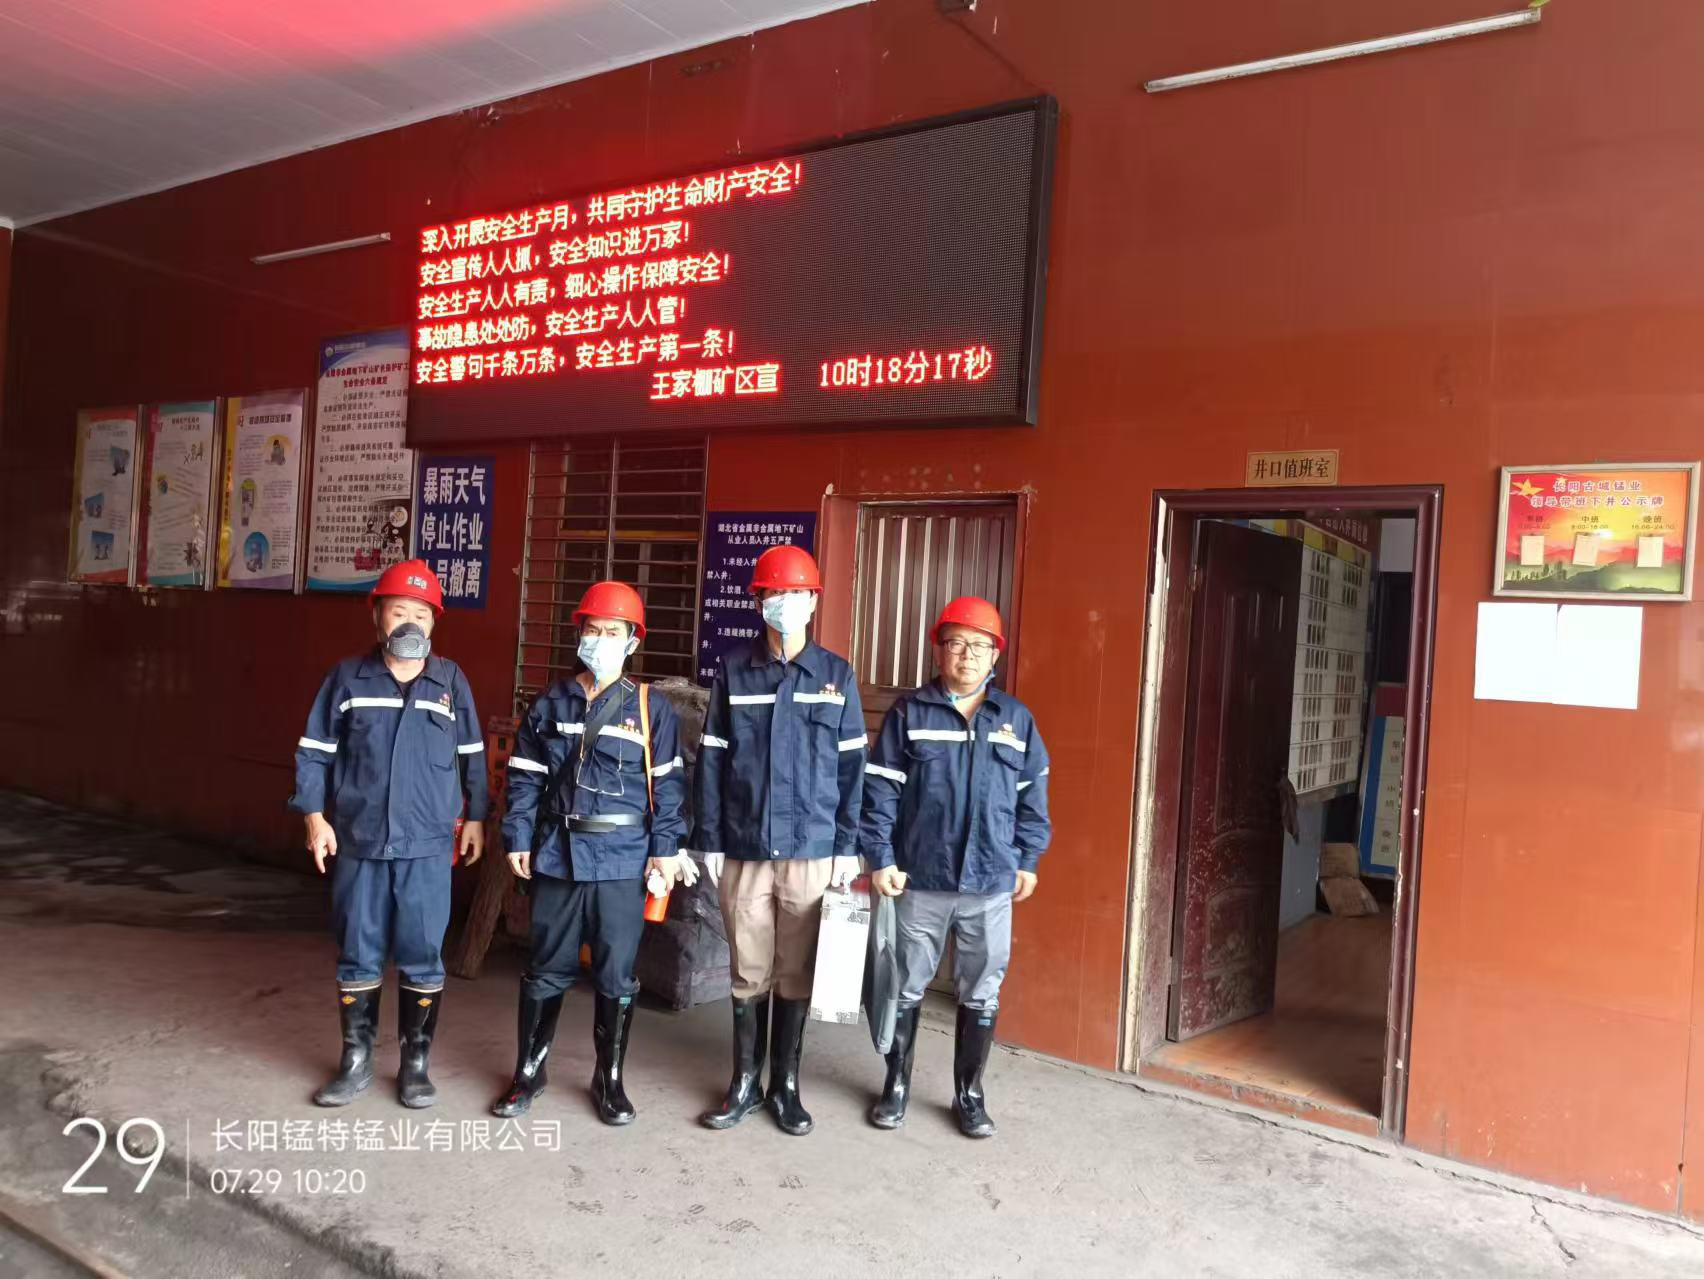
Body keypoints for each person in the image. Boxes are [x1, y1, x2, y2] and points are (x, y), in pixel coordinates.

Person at [289, 560, 488, 1109]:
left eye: (421, 614)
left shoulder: (450, 682)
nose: (410, 623)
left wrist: (476, 817)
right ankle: (355, 1062)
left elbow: (472, 755)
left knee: (423, 952)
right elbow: (315, 752)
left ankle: (415, 1066)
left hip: (427, 845)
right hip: (361, 840)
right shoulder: (347, 679)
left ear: (434, 623)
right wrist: (314, 816)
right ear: (376, 616)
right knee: (358, 950)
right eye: (399, 611)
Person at [495, 582, 688, 1125]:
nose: (600, 640)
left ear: (632, 642)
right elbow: (525, 778)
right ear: (579, 634)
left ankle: (610, 1080)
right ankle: (528, 1073)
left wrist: (665, 851)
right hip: (558, 854)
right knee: (545, 968)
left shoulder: (651, 708)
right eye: (593, 630)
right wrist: (518, 837)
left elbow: (669, 788)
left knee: (615, 975)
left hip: (623, 859)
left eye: (612, 632)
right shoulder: (551, 703)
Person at [858, 596, 1051, 1138]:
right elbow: (881, 793)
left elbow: (1033, 797)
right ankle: (896, 1084)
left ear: (996, 656)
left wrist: (1028, 858)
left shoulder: (1015, 720)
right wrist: (881, 858)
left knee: (982, 989)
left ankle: (969, 1094)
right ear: (938, 650)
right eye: (957, 643)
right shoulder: (909, 714)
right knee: (905, 984)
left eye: (980, 646)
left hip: (990, 881)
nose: (968, 655)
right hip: (920, 877)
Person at [693, 544, 866, 1136]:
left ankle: (784, 1086)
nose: (784, 602)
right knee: (749, 968)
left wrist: (848, 846)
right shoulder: (734, 671)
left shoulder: (836, 676)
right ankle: (744, 1082)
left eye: (796, 593)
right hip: (745, 845)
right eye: (774, 593)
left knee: (797, 971)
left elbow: (853, 770)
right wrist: (710, 837)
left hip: (812, 850)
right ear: (758, 601)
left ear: (814, 602)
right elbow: (712, 759)